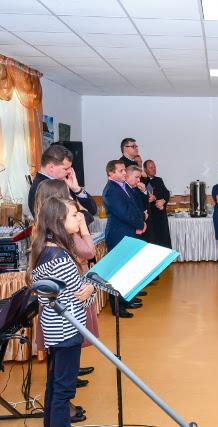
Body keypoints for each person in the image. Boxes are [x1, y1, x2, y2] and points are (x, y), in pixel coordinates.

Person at [29, 197, 96, 427]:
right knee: (64, 391)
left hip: (53, 329)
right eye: (74, 215)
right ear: (59, 221)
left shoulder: (44, 251)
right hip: (68, 330)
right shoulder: (62, 259)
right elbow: (81, 298)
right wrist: (92, 289)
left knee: (54, 385)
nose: (79, 218)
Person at [102, 160, 145, 318]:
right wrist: (140, 223)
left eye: (124, 170)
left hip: (128, 232)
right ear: (111, 173)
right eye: (121, 171)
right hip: (118, 234)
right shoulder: (111, 190)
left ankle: (126, 300)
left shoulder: (123, 186)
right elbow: (124, 213)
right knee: (117, 272)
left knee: (127, 270)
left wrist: (141, 221)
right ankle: (117, 306)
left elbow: (133, 207)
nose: (124, 173)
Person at [28, 145, 97, 225]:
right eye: (66, 168)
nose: (70, 171)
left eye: (70, 167)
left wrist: (77, 189)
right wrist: (85, 213)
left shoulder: (63, 180)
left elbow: (93, 210)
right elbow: (58, 224)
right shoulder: (39, 188)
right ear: (51, 167)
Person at [142, 160, 172, 249]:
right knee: (153, 242)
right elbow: (145, 196)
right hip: (150, 217)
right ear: (145, 169)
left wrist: (163, 200)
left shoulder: (159, 180)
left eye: (154, 167)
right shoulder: (141, 181)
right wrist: (155, 198)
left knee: (164, 241)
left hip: (160, 216)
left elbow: (166, 193)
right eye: (151, 167)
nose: (154, 169)